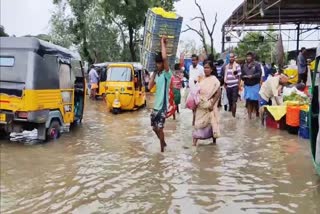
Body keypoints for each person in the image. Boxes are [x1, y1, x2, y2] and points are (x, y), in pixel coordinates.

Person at [148, 36, 171, 153]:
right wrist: (153, 73)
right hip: (156, 106)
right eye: (157, 63)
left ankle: (162, 152)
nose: (158, 64)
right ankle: (164, 143)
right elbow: (149, 87)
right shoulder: (157, 74)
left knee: (160, 128)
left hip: (163, 107)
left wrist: (163, 43)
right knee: (154, 128)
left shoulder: (167, 74)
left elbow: (164, 57)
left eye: (160, 63)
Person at [192, 60, 221, 146]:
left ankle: (214, 143)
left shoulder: (214, 80)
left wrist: (212, 105)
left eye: (208, 67)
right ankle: (194, 144)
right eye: (204, 67)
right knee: (197, 123)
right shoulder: (200, 78)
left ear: (211, 69)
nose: (206, 69)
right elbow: (195, 91)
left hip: (210, 104)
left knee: (212, 122)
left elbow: (218, 93)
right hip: (200, 104)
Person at [241, 52, 262, 119]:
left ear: (252, 57)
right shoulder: (244, 66)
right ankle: (249, 117)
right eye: (247, 56)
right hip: (247, 85)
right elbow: (241, 75)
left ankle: (257, 114)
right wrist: (244, 77)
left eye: (250, 56)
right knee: (248, 100)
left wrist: (252, 76)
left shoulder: (257, 65)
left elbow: (259, 74)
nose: (248, 58)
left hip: (255, 85)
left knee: (255, 101)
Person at [224, 53, 241, 118]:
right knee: (230, 101)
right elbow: (226, 76)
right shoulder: (226, 66)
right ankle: (231, 115)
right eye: (230, 57)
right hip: (228, 86)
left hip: (235, 85)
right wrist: (225, 84)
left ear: (234, 58)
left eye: (232, 57)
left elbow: (239, 76)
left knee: (234, 101)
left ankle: (233, 117)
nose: (231, 58)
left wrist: (238, 85)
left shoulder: (237, 66)